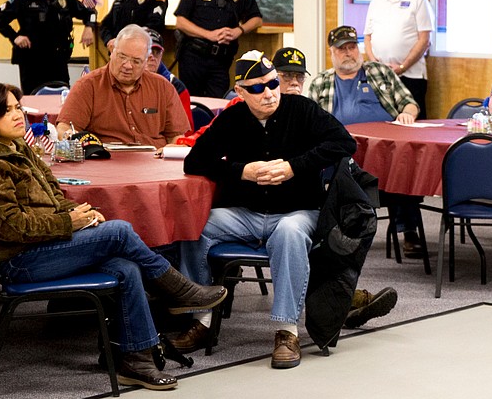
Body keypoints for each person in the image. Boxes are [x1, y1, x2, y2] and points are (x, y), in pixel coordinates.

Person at [0, 80, 228, 391]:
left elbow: (54, 196)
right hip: (19, 260)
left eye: (17, 107)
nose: (18, 115)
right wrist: (68, 223)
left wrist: (80, 215)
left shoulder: (20, 148)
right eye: (6, 111)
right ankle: (178, 290)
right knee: (120, 231)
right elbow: (9, 227)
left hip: (42, 248)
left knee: (126, 267)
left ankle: (136, 360)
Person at [179, 52, 356, 368]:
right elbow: (195, 161)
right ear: (240, 91)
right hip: (244, 214)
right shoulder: (232, 119)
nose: (270, 92)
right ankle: (202, 320)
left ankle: (287, 331)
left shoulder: (301, 109)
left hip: (297, 211)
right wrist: (240, 171)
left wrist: (294, 167)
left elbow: (344, 143)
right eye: (258, 88)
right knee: (194, 227)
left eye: (273, 83)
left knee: (288, 233)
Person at [273, 45, 399, 329]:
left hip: (311, 202)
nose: (293, 83)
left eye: (298, 78)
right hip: (271, 206)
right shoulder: (262, 111)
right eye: (286, 76)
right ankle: (348, 302)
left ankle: (344, 303)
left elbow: (343, 145)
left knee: (343, 225)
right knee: (316, 234)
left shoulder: (311, 114)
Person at [309, 25, 425, 258]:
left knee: (405, 164)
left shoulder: (380, 72)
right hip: (341, 153)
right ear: (332, 52)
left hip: (386, 149)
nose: (348, 53)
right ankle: (337, 232)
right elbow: (309, 124)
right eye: (342, 49)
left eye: (352, 47)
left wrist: (408, 114)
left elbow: (409, 102)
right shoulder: (320, 82)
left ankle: (409, 231)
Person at [56, 25, 189, 149]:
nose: (127, 65)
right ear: (112, 50)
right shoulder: (87, 86)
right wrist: (74, 142)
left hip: (155, 164)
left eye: (136, 61)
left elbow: (176, 136)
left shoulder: (163, 87)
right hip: (105, 163)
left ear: (146, 60)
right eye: (122, 57)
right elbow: (64, 128)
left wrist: (172, 150)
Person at [0, 0, 96, 93]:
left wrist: (89, 27)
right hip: (31, 61)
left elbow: (91, 12)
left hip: (58, 61)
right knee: (32, 100)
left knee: (61, 98)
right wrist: (15, 37)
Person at [173, 0, 263, 98]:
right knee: (191, 102)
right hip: (194, 57)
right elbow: (180, 22)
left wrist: (239, 31)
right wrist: (209, 35)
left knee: (219, 103)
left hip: (221, 60)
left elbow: (257, 19)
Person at [364, 0, 434, 118]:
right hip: (381, 75)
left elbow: (424, 39)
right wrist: (375, 62)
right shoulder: (376, 2)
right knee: (383, 120)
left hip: (411, 75)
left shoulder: (418, 0)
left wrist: (402, 67)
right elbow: (367, 37)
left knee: (413, 121)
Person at [144, 30, 194, 130]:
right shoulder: (124, 81)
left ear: (162, 55)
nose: (152, 57)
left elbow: (186, 131)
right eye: (147, 51)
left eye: (156, 52)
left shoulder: (176, 86)